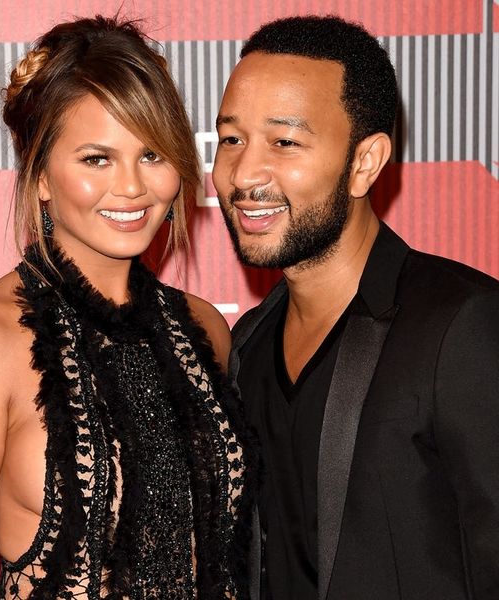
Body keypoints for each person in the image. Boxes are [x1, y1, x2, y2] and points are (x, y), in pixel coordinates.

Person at [0, 15, 255, 600]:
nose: (132, 187)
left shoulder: (204, 329)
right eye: (97, 158)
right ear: (41, 176)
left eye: (152, 154)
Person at [212, 14, 499, 600]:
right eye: (231, 139)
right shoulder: (247, 346)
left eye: (284, 142)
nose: (243, 173)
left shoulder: (461, 325)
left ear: (365, 162)